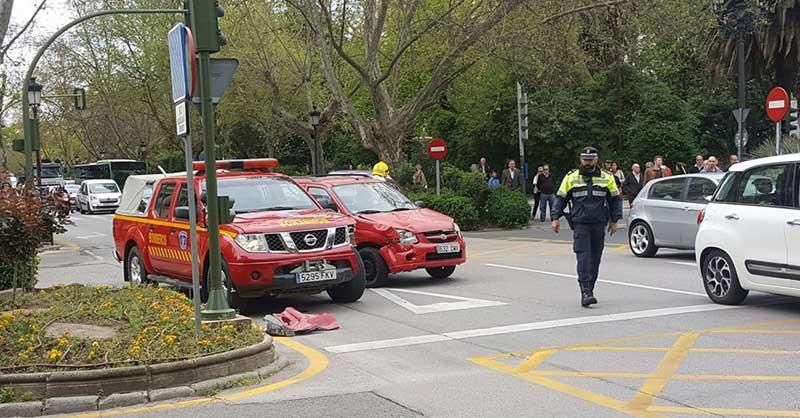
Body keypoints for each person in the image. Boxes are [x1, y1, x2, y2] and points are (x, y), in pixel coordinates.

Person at [552, 146, 622, 307]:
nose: (588, 163)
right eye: (585, 160)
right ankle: (585, 292)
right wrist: (555, 217)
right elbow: (560, 197)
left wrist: (614, 220)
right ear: (580, 160)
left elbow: (615, 200)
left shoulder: (607, 177)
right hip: (580, 223)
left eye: (591, 160)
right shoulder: (571, 177)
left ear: (596, 160)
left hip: (599, 223)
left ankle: (590, 288)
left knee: (595, 258)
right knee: (584, 256)